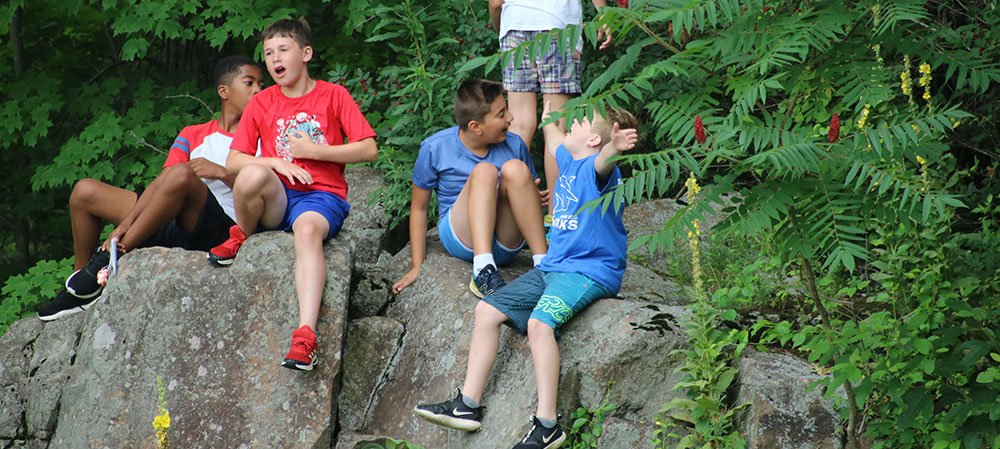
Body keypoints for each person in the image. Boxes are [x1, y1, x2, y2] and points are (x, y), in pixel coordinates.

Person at [414, 101, 639, 449]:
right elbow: (552, 137)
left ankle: (547, 424)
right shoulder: (569, 159)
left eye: (577, 124)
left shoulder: (598, 171)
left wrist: (615, 146)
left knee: (539, 325)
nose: (569, 127)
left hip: (587, 271)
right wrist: (549, 112)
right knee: (486, 311)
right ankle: (467, 406)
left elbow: (605, 159)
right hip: (552, 267)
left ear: (594, 140)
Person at [36, 56, 265, 321]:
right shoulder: (194, 133)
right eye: (249, 83)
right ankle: (79, 286)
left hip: (222, 229)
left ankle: (110, 262)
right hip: (174, 215)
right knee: (85, 191)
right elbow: (161, 183)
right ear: (224, 91)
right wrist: (125, 224)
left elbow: (267, 195)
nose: (258, 89)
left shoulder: (263, 138)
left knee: (182, 173)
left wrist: (223, 174)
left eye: (261, 83)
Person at [207, 18, 378, 372]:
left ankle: (305, 336)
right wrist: (276, 163)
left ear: (306, 53)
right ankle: (244, 232)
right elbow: (234, 160)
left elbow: (367, 149)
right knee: (253, 172)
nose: (274, 59)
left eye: (283, 50)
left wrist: (316, 152)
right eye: (269, 53)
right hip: (277, 197)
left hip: (321, 196)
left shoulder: (334, 95)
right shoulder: (261, 102)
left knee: (307, 232)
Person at [391, 79, 548, 299]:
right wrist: (417, 266)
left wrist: (531, 196)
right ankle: (483, 270)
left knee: (516, 169)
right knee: (485, 171)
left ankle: (545, 266)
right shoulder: (435, 147)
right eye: (502, 114)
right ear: (476, 126)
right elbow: (419, 208)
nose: (511, 119)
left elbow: (528, 194)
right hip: (462, 237)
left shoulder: (515, 145)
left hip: (506, 241)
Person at [488, 0, 612, 210]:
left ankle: (514, 213)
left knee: (518, 125)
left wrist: (503, 27)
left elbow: (495, 3)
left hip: (514, 24)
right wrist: (604, 13)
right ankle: (557, 215)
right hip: (557, 25)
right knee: (555, 126)